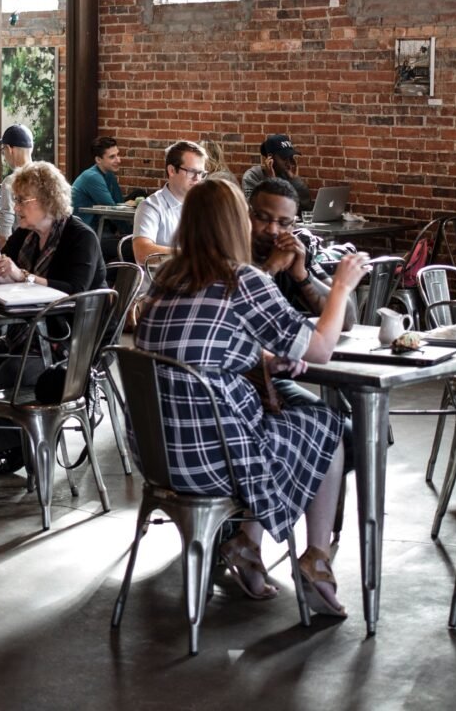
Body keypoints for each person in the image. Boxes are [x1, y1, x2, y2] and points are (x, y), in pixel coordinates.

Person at [135, 177, 369, 614]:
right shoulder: (240, 279)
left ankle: (247, 545)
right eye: (250, 215)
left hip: (159, 457)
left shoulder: (166, 281)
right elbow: (320, 348)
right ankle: (316, 558)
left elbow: (203, 347)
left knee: (286, 423)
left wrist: (265, 360)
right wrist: (341, 287)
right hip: (213, 459)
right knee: (328, 428)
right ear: (234, 222)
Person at [0, 161, 106, 475]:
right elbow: (0, 272)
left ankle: (35, 447)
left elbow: (73, 291)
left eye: (24, 200)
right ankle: (10, 448)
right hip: (28, 334)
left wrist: (25, 276)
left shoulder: (80, 237)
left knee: (10, 372)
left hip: (67, 342)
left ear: (48, 200)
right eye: (17, 199)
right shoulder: (26, 236)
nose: (17, 207)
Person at [249, 177, 357, 472]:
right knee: (343, 438)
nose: (273, 230)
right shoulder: (233, 255)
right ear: (247, 214)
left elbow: (347, 319)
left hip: (276, 379)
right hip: (243, 384)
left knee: (353, 438)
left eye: (283, 223)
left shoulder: (294, 251)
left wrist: (301, 275)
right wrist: (269, 267)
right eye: (263, 218)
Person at [131, 140, 207, 266]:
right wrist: (192, 255)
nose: (197, 178)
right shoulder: (151, 206)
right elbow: (142, 253)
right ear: (172, 170)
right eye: (192, 171)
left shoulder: (204, 205)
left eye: (201, 173)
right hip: (163, 282)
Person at [71, 136, 142, 260]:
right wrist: (134, 235)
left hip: (103, 228)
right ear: (98, 159)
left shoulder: (108, 175)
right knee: (134, 248)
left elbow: (118, 203)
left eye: (117, 155)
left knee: (139, 193)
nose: (118, 160)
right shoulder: (92, 177)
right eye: (112, 157)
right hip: (89, 234)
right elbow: (114, 212)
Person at [242, 133, 312, 212]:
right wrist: (271, 182)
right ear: (270, 157)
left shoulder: (287, 174)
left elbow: (306, 209)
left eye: (290, 158)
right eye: (284, 158)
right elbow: (254, 210)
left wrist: (295, 180)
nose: (289, 163)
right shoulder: (252, 176)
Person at [0, 124, 35, 251]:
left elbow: (5, 233)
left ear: (9, 149)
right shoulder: (44, 177)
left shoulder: (11, 181)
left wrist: (1, 257)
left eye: (3, 151)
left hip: (22, 250)